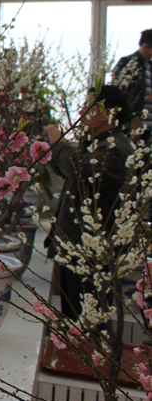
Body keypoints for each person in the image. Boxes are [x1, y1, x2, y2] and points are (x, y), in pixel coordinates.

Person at [44, 85, 133, 321]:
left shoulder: (115, 148)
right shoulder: (100, 143)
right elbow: (75, 172)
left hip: (91, 254)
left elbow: (80, 170)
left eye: (90, 105)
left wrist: (58, 142)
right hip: (78, 249)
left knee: (87, 325)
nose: (83, 110)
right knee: (74, 320)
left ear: (107, 113)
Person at [111, 28, 152, 138]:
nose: (150, 52)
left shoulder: (150, 66)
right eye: (147, 47)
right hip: (132, 123)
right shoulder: (128, 63)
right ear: (140, 44)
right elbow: (119, 92)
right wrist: (133, 117)